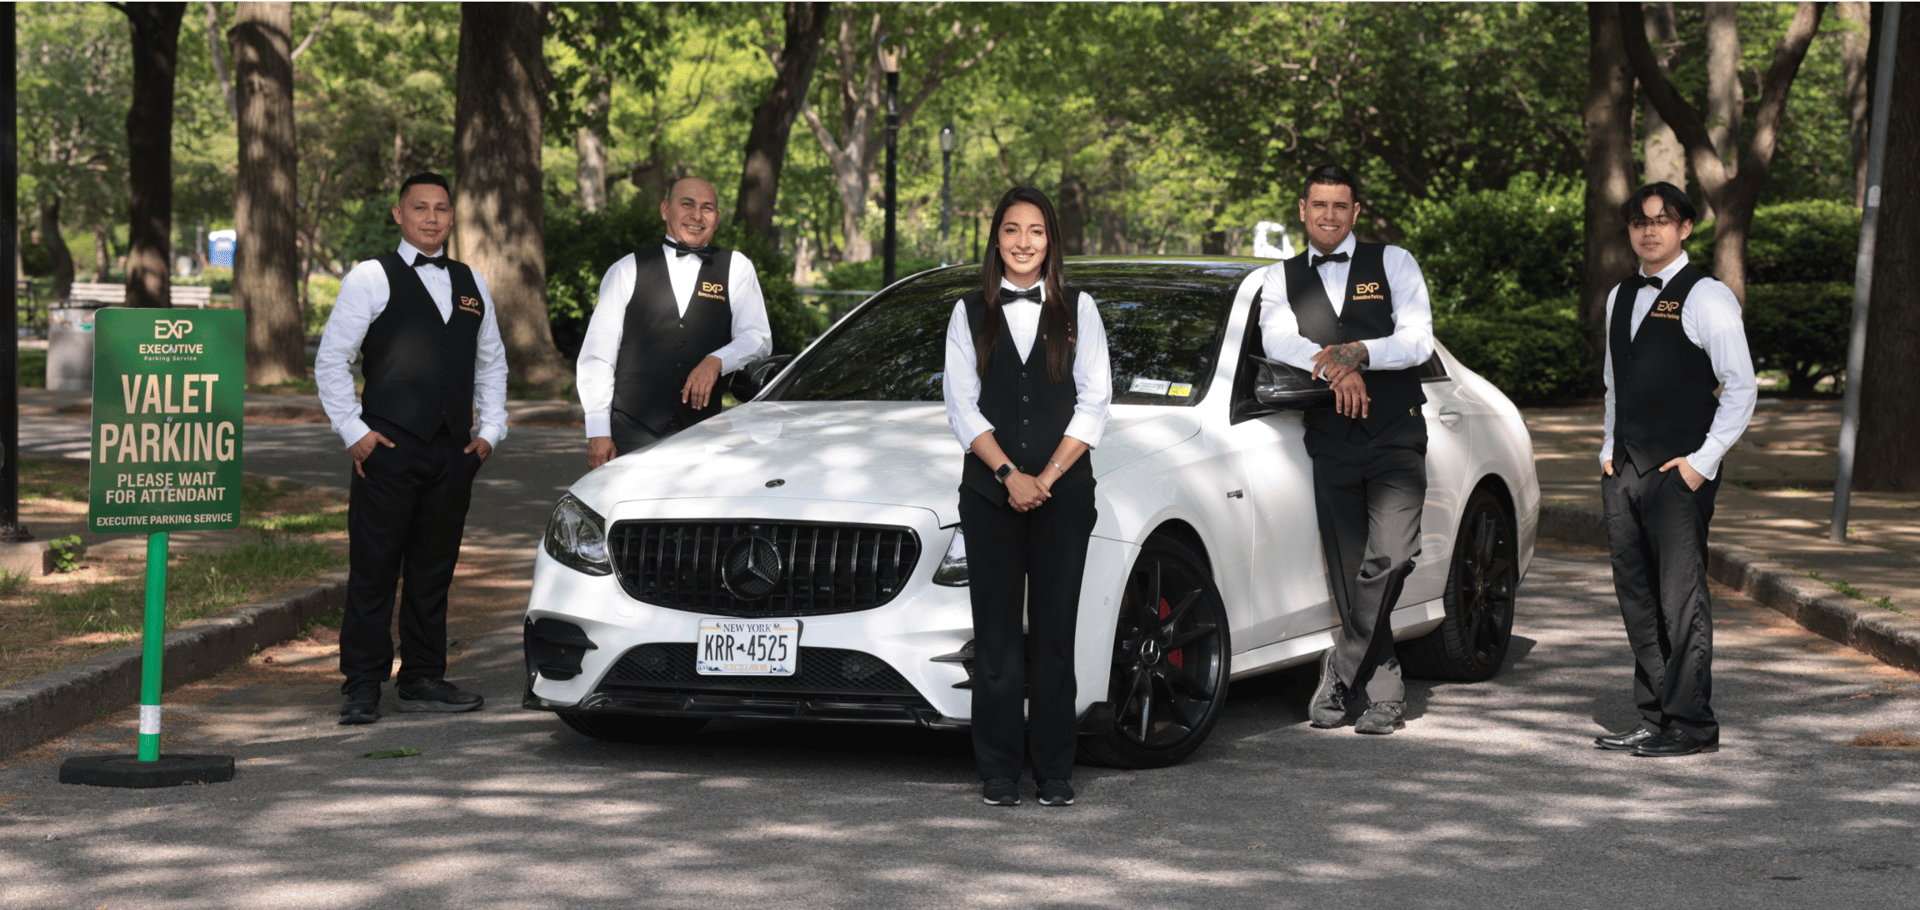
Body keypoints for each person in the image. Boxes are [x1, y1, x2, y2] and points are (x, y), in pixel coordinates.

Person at [316, 172, 508, 725]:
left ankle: (423, 676)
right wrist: (353, 431)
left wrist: (491, 431)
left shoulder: (472, 282)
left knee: (434, 569)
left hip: (453, 453)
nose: (431, 217)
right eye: (419, 208)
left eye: (441, 209)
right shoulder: (370, 278)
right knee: (374, 568)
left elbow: (492, 362)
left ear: (453, 217)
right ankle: (362, 683)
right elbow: (332, 360)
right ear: (399, 214)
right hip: (387, 448)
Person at [943, 186, 1111, 807]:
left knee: (1054, 632)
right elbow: (961, 407)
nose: (1022, 242)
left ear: (1050, 241)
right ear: (995, 238)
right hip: (989, 495)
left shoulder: (1080, 310)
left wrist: (1048, 476)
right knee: (995, 639)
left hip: (1064, 495)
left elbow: (1095, 402)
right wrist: (1010, 474)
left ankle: (1054, 768)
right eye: (1011, 229)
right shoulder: (967, 311)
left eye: (1035, 231)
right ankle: (998, 770)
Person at [1258, 164, 1435, 735]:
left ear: (1356, 211)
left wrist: (1355, 352)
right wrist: (1336, 373)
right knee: (1350, 569)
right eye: (1319, 205)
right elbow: (1279, 340)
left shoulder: (1394, 262)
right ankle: (1384, 694)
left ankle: (1339, 667)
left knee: (1392, 557)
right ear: (1302, 210)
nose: (1329, 215)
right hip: (1330, 439)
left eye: (1341, 206)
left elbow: (1416, 338)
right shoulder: (1278, 279)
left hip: (1395, 434)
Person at [1594, 182, 1755, 758]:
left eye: (1662, 220)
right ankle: (1656, 716)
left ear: (1685, 227)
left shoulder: (1707, 296)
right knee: (1636, 599)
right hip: (1625, 470)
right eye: (1639, 220)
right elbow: (1618, 383)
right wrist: (1608, 451)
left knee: (1679, 600)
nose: (1649, 230)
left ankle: (1692, 724)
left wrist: (1702, 463)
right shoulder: (1619, 295)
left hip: (1679, 471)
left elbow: (1741, 388)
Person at [576, 177, 773, 467]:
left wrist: (717, 360)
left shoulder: (737, 268)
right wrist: (597, 431)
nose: (697, 215)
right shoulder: (627, 269)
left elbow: (758, 336)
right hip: (631, 432)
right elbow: (597, 355)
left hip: (703, 432)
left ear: (717, 219)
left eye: (707, 208)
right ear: (666, 210)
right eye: (687, 204)